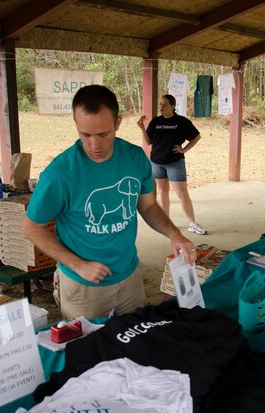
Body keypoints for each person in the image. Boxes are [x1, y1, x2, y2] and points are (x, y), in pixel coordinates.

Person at [23, 85, 196, 319]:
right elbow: (32, 228)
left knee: (136, 345)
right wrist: (78, 265)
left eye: (103, 134)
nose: (95, 145)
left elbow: (148, 206)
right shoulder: (60, 173)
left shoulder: (135, 158)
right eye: (85, 135)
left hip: (130, 278)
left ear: (118, 123)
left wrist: (175, 234)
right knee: (89, 351)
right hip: (83, 286)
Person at [137, 94, 207, 235]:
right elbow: (148, 142)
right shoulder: (156, 122)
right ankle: (166, 221)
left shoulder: (181, 122)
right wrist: (142, 129)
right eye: (160, 104)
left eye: (164, 104)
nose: (161, 107)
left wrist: (184, 149)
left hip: (174, 162)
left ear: (173, 106)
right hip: (157, 161)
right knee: (162, 192)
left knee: (181, 192)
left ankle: (192, 223)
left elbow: (196, 137)